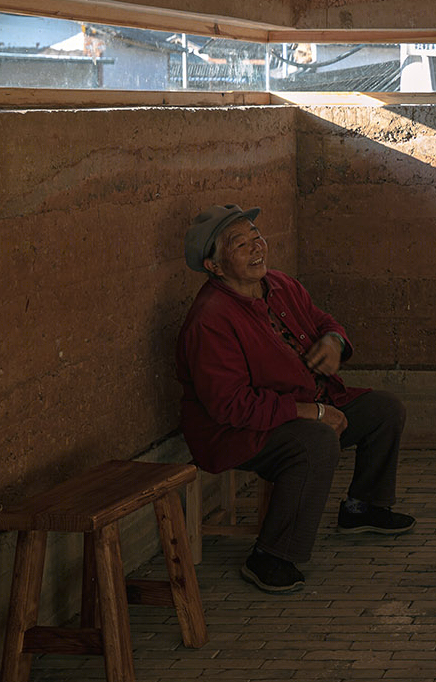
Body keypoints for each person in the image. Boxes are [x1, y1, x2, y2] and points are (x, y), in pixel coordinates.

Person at [175, 204, 414, 594]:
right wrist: (316, 413)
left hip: (302, 404)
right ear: (214, 267)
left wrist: (334, 342)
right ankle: (270, 555)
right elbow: (230, 406)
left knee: (384, 409)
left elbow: (325, 323)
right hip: (234, 432)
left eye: (257, 237)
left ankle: (362, 507)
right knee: (315, 443)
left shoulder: (281, 285)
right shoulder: (211, 319)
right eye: (241, 245)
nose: (257, 249)